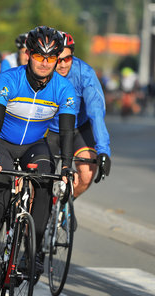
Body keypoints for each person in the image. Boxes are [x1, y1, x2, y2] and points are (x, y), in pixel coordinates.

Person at [0, 26, 76, 296]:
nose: (44, 63)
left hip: (34, 145)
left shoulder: (64, 88)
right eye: (39, 56)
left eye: (51, 58)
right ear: (28, 55)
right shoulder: (9, 79)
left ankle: (34, 252)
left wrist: (66, 166)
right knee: (1, 195)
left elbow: (66, 132)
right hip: (3, 143)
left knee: (45, 181)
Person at [46, 31, 111, 199]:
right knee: (39, 178)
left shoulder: (85, 74)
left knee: (87, 172)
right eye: (57, 60)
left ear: (72, 56)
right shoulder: (42, 71)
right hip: (49, 129)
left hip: (78, 128)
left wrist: (103, 151)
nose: (62, 65)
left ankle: (66, 203)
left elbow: (96, 113)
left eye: (67, 59)